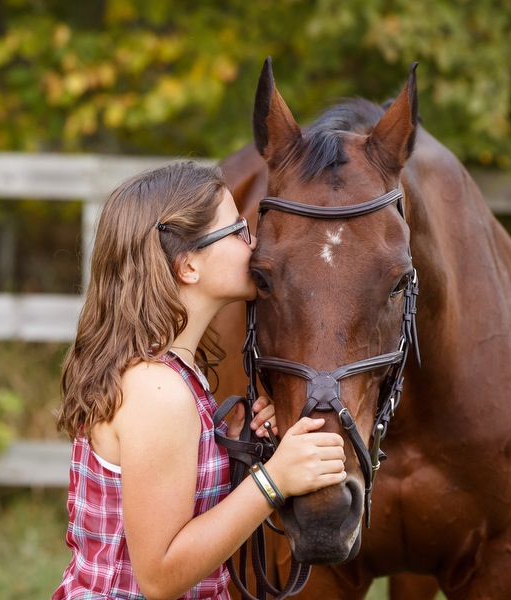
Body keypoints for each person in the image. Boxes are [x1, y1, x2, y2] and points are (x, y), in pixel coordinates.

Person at [53, 161, 347, 600]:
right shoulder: (159, 393)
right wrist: (274, 481)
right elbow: (159, 577)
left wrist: (229, 443)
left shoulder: (166, 376)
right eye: (237, 230)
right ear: (188, 266)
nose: (255, 243)